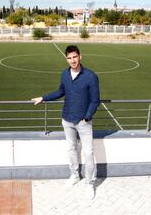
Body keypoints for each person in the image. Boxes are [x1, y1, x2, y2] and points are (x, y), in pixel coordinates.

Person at [32, 45, 100, 200]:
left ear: (80, 57)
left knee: (88, 153)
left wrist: (87, 116)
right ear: (66, 59)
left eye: (75, 57)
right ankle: (74, 175)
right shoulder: (64, 74)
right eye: (69, 58)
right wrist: (43, 98)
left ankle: (90, 184)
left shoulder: (91, 76)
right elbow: (60, 92)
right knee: (71, 149)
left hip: (83, 122)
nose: (72, 60)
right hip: (67, 119)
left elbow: (95, 101)